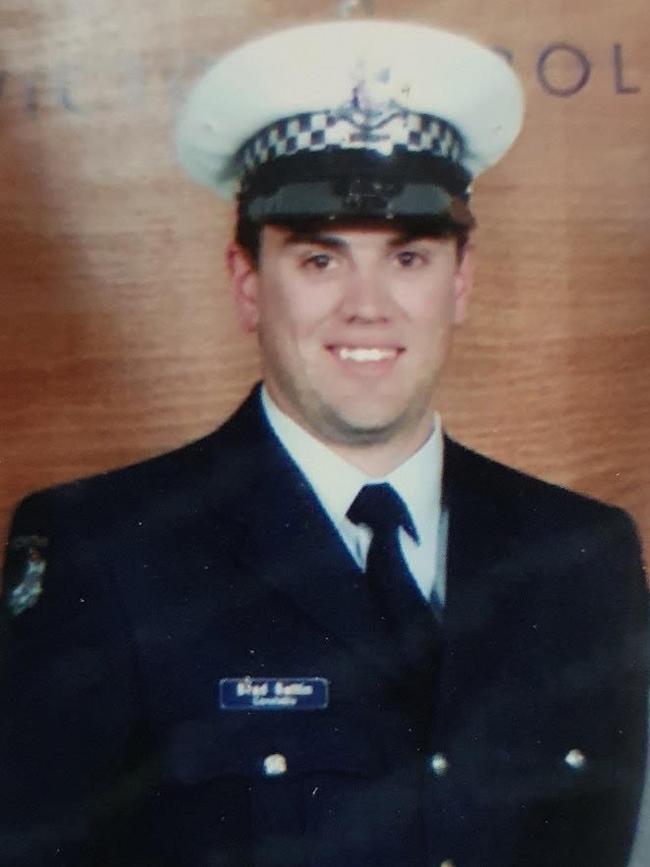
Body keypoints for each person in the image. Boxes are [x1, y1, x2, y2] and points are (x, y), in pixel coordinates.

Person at [1, 20, 648, 867]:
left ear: (462, 281)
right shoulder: (108, 553)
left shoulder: (583, 555)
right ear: (246, 283)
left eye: (409, 258)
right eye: (320, 261)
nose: (368, 307)